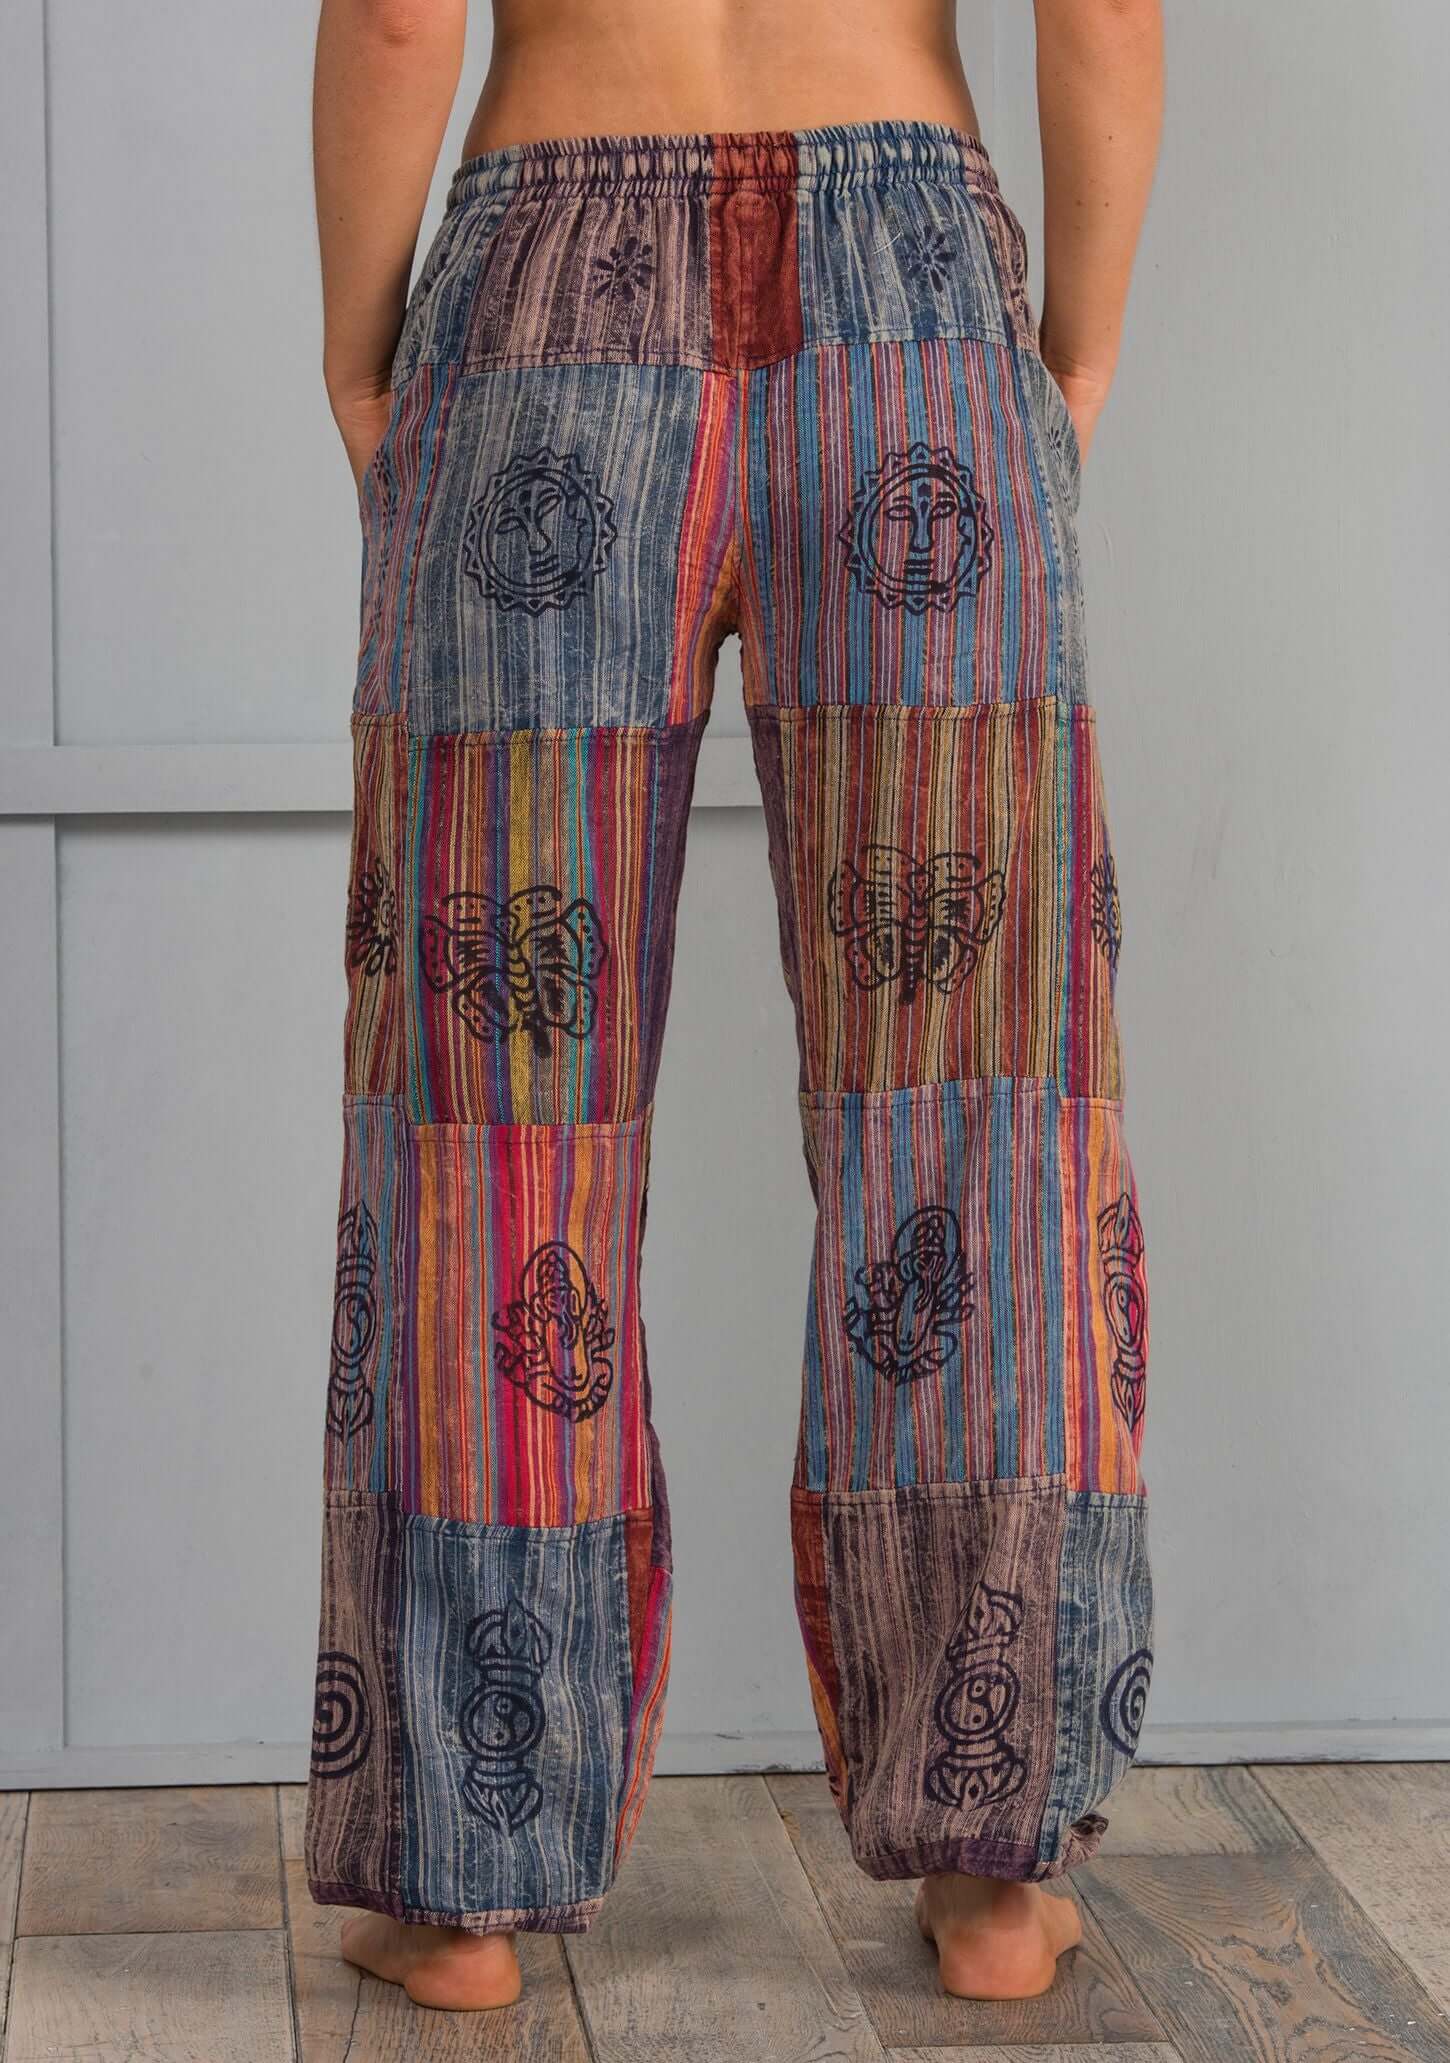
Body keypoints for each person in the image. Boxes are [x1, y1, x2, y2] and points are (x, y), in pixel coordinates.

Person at [305, 0, 1164, 2015]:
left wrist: (356, 360)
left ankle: (459, 1881)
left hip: (541, 292)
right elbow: (1107, 10)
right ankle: (990, 1867)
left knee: (491, 1114)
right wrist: (1074, 356)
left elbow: (399, 13)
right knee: (974, 1101)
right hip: (914, 301)